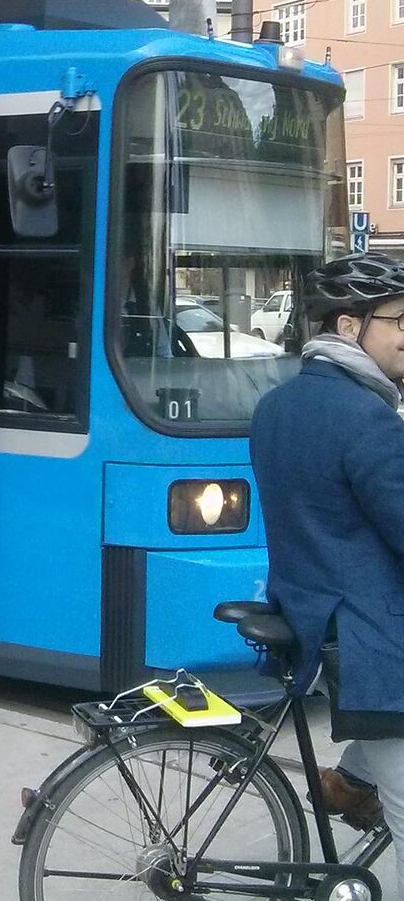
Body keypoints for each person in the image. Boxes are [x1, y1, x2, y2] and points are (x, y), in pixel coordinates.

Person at [248, 251, 404, 881]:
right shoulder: (367, 418)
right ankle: (361, 782)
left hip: (309, 609)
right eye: (398, 322)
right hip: (365, 632)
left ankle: (351, 781)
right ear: (349, 328)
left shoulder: (277, 405)